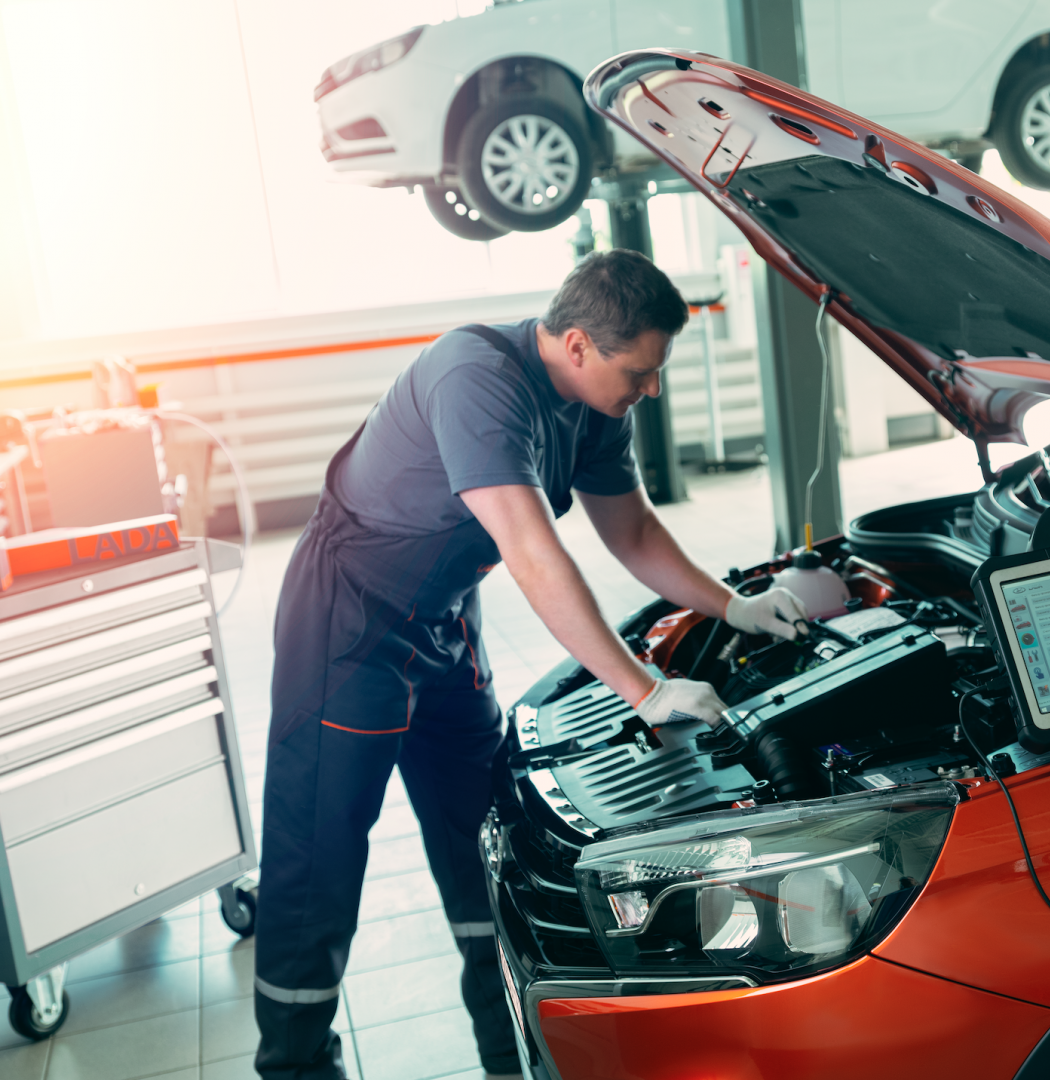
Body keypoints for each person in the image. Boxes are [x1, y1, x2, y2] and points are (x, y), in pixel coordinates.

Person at [252, 249, 809, 1079]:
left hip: (442, 620)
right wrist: (645, 689)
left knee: (478, 835)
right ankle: (295, 1066)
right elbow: (532, 552)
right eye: (641, 371)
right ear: (578, 345)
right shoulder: (474, 377)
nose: (650, 389)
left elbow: (635, 534)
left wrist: (735, 606)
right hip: (349, 622)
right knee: (321, 857)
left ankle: (505, 1057)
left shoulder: (594, 407)